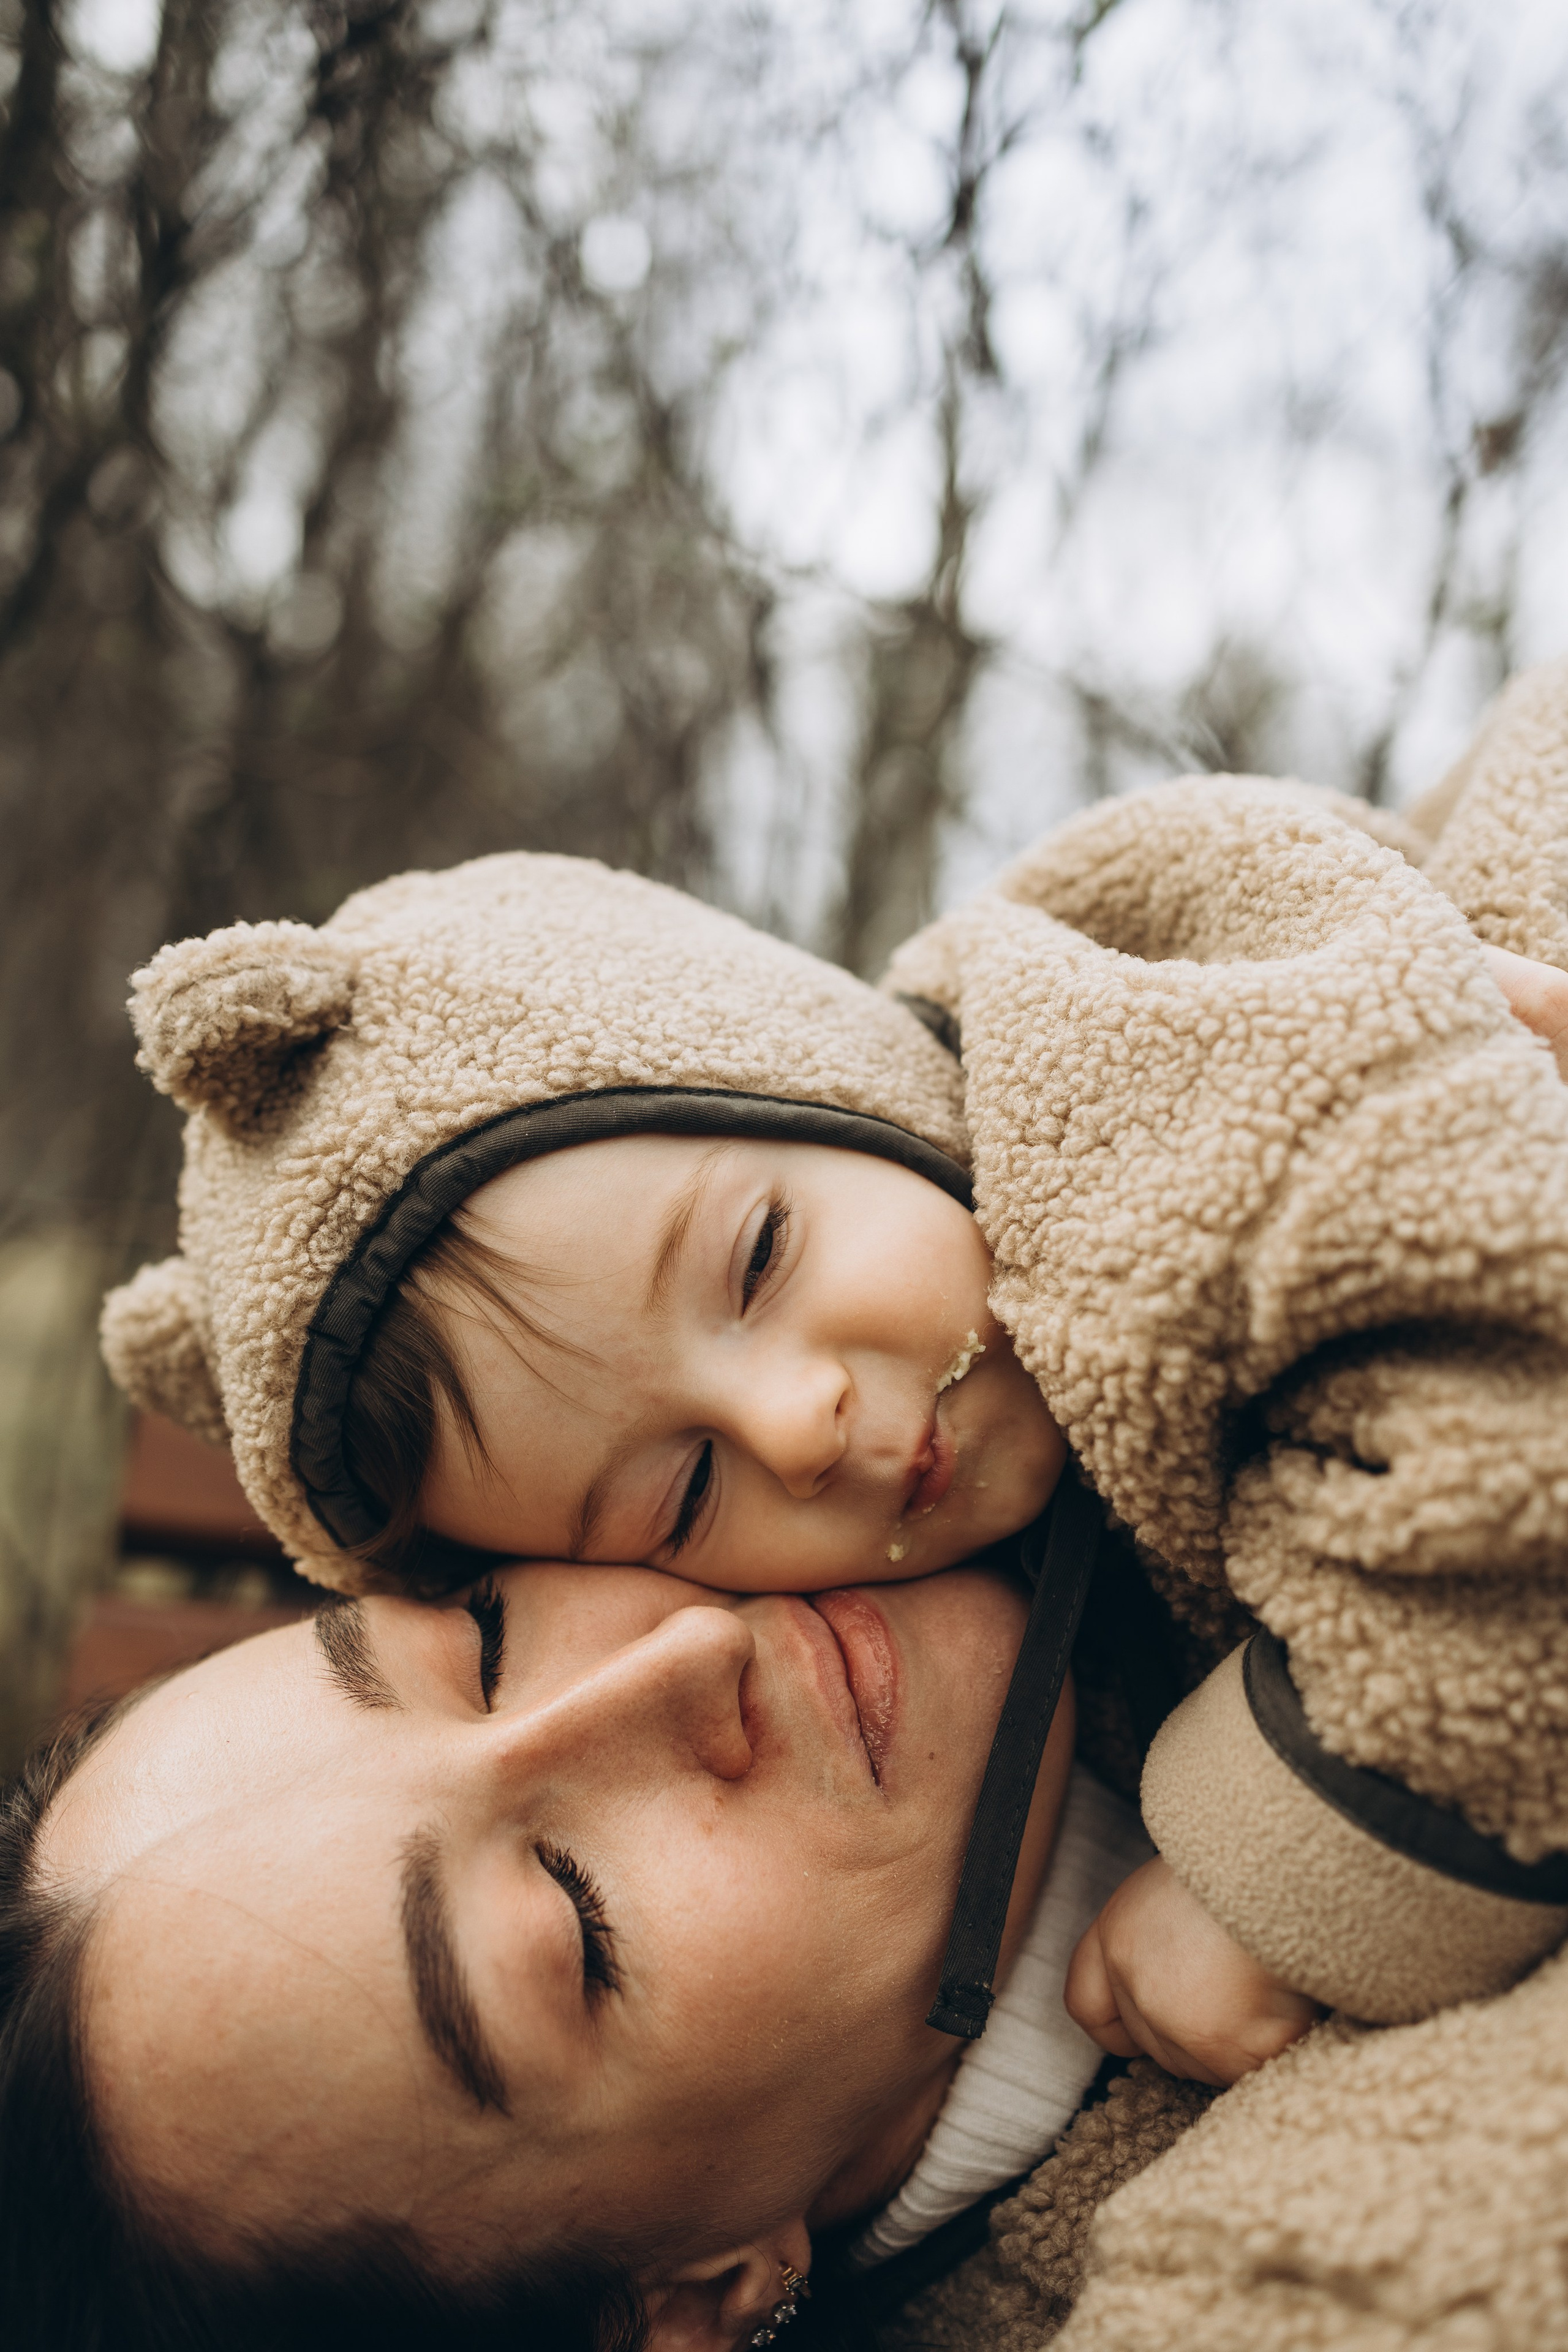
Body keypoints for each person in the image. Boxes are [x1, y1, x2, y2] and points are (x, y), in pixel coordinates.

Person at [84, 653, 1568, 2343]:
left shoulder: (1128, 1091)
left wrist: (1283, 1860)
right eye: (571, 1923)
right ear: (694, 2298)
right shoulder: (1273, 2282)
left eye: (487, 1643)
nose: (679, 1663)